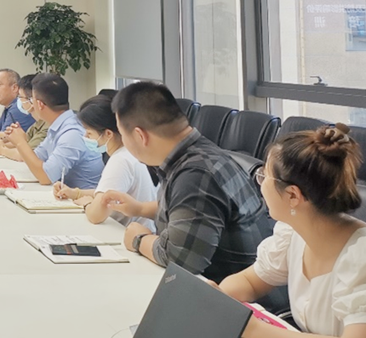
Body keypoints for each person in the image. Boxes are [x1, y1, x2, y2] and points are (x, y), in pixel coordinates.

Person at [218, 125, 366, 338]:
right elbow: (249, 282)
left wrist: (256, 330)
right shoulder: (294, 233)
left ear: (293, 195)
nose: (261, 185)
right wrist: (219, 297)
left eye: (264, 176)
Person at [100, 81, 272, 282]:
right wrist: (140, 209)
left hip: (232, 296)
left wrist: (139, 239)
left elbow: (180, 259)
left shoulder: (195, 174)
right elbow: (190, 209)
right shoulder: (199, 153)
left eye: (123, 135)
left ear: (140, 136)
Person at [52, 94, 156, 230]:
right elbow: (107, 193)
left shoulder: (120, 161)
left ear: (108, 134)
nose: (85, 137)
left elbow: (96, 216)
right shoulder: (129, 153)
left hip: (125, 234)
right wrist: (76, 193)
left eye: (89, 133)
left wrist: (87, 204)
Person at [2, 74, 104, 188]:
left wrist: (20, 142)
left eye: (32, 100)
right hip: (63, 193)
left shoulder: (72, 134)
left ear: (39, 104)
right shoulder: (58, 125)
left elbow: (46, 177)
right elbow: (37, 157)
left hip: (81, 197)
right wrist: (18, 141)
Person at [0, 74, 49, 159]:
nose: (19, 101)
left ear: (31, 100)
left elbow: (28, 156)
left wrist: (2, 150)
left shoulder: (48, 126)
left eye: (20, 97)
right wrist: (1, 144)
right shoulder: (38, 123)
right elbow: (25, 143)